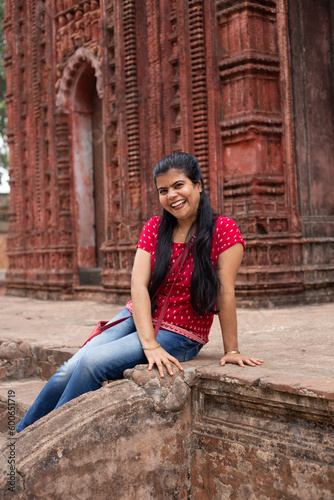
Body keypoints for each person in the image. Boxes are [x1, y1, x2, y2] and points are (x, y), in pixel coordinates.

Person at [16, 152, 263, 433]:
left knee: (92, 364)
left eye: (179, 185)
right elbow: (139, 287)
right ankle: (22, 435)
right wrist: (149, 344)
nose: (172, 195)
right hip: (137, 315)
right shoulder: (154, 228)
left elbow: (225, 292)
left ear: (198, 185)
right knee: (71, 366)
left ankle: (50, 436)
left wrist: (232, 350)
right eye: (163, 190)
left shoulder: (224, 230)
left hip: (181, 332)